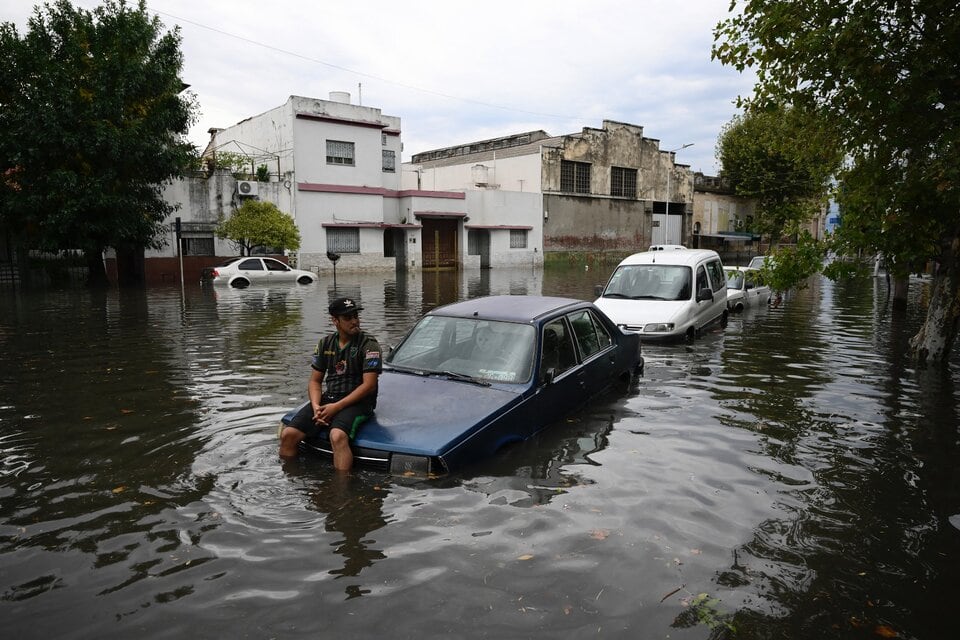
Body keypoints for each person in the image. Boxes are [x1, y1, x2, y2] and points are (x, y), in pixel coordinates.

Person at [279, 297, 382, 471]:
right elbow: (315, 381)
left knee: (337, 436)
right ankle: (290, 478)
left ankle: (341, 490)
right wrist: (317, 406)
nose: (355, 321)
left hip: (359, 402)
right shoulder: (324, 343)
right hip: (330, 398)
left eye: (356, 316)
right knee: (288, 434)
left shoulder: (369, 344)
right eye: (348, 318)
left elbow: (369, 385)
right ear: (335, 321)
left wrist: (336, 407)